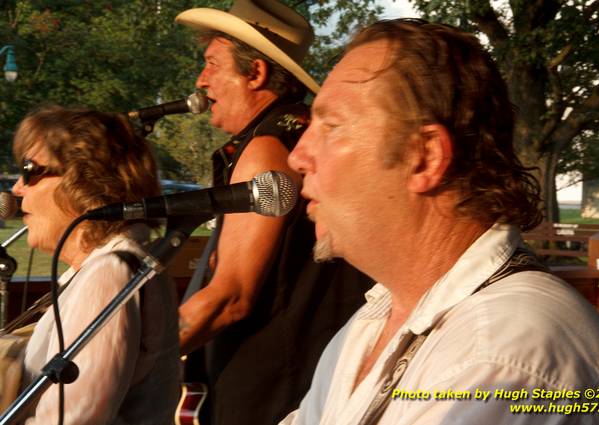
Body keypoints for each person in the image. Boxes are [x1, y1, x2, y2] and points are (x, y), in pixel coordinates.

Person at [281, 19, 599, 425]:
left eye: (331, 126)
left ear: (426, 157)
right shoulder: (376, 318)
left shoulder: (505, 354)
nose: (297, 156)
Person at [174, 1, 372, 424]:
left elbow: (230, 298)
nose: (200, 80)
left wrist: (136, 357)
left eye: (211, 64)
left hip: (267, 391)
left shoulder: (266, 150)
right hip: (303, 376)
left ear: (256, 73)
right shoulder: (302, 134)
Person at [12, 106, 179, 424]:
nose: (18, 187)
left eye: (30, 169)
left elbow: (73, 418)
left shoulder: (109, 275)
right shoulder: (98, 270)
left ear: (84, 182)